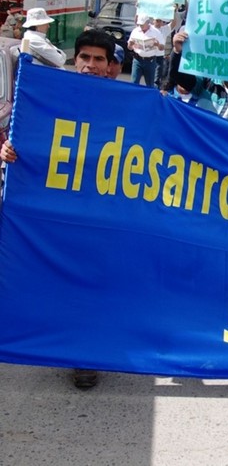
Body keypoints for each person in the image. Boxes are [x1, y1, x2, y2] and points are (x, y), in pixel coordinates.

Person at [1, 28, 116, 390]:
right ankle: (59, 345)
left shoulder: (127, 104)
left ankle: (86, 357)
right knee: (57, 283)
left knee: (95, 285)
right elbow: (21, 138)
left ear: (111, 66)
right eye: (85, 58)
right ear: (74, 59)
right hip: (58, 213)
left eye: (99, 59)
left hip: (105, 215)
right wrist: (7, 151)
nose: (91, 65)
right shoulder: (48, 96)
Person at [127, 15, 165, 88]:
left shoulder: (156, 32)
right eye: (140, 24)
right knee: (134, 83)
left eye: (142, 24)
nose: (141, 26)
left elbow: (162, 48)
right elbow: (129, 48)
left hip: (150, 60)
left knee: (150, 84)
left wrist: (157, 44)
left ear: (148, 23)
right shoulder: (135, 31)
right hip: (137, 59)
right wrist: (130, 44)